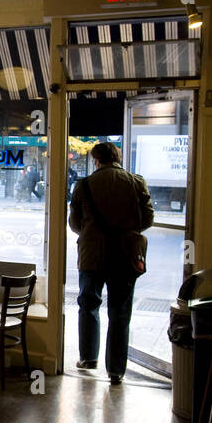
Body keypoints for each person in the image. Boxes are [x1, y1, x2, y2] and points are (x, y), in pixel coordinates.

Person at [69, 142, 153, 383]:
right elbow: (147, 218)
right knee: (120, 312)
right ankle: (116, 370)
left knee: (88, 304)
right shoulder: (136, 182)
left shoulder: (84, 185)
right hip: (125, 256)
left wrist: (92, 233)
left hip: (92, 255)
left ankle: (88, 358)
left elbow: (75, 223)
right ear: (117, 157)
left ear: (96, 160)